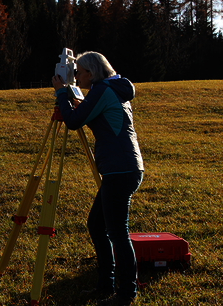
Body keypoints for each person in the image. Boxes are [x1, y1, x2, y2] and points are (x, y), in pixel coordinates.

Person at [51, 51, 143, 306]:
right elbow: (88, 116)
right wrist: (71, 96)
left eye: (79, 71)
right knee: (97, 225)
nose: (76, 75)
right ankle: (106, 283)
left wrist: (61, 93)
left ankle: (126, 293)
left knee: (117, 232)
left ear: (91, 73)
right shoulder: (110, 89)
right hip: (123, 167)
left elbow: (73, 121)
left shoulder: (103, 91)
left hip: (120, 169)